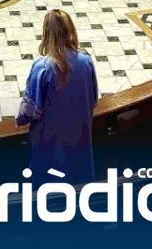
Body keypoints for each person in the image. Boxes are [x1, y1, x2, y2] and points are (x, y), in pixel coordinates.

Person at [16, 10, 99, 184]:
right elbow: (93, 99)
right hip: (80, 139)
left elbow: (27, 113)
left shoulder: (42, 67)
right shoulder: (86, 61)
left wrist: (20, 120)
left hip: (51, 145)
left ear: (47, 34)